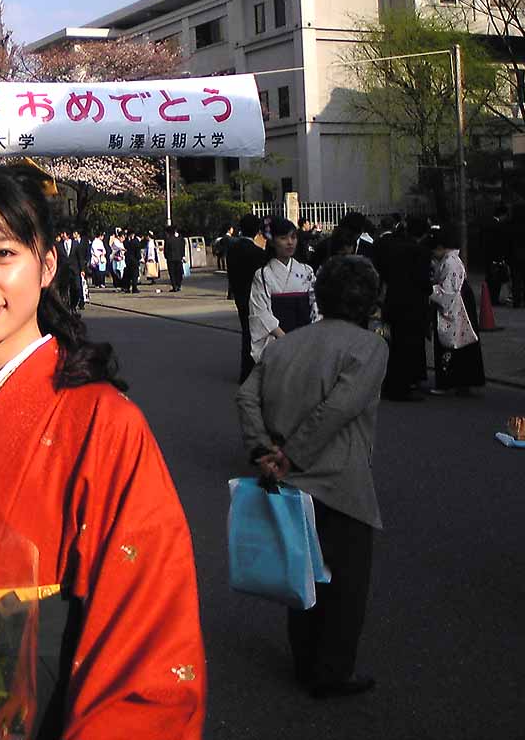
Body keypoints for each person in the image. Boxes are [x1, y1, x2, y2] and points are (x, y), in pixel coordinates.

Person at [0, 163, 205, 737]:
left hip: (46, 701)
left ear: (47, 264)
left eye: (3, 254)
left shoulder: (103, 421)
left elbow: (146, 611)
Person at [235, 255, 388, 699]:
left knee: (303, 577)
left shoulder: (286, 345)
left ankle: (305, 662)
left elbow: (246, 397)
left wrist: (263, 449)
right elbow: (339, 408)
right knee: (346, 586)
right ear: (370, 301)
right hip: (340, 481)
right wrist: (292, 455)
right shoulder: (370, 347)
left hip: (289, 485)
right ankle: (332, 671)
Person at [375, 216, 432, 401]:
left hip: (394, 300)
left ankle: (392, 384)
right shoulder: (421, 252)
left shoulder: (393, 248)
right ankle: (404, 386)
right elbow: (424, 281)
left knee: (397, 345)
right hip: (413, 304)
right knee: (410, 345)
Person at [248, 218, 318, 364]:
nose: (290, 242)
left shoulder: (306, 271)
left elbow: (316, 305)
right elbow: (260, 312)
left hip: (306, 340)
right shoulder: (263, 275)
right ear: (272, 242)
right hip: (277, 341)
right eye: (283, 238)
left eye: (293, 237)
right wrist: (285, 339)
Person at [429, 225, 485, 396]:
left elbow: (447, 292)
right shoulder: (451, 260)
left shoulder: (450, 263)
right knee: (462, 344)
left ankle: (448, 382)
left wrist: (429, 290)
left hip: (456, 304)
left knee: (450, 344)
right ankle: (462, 382)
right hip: (460, 303)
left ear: (440, 247)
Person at [228, 215, 270, 383]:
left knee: (247, 332)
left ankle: (245, 371)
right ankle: (253, 370)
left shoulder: (232, 249)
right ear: (257, 231)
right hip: (255, 297)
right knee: (256, 335)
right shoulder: (257, 253)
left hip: (240, 295)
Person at [506, 203, 525, 309]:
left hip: (515, 255)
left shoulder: (512, 225)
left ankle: (517, 301)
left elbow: (509, 242)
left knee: (516, 280)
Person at [165, 226, 187, 292]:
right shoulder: (181, 239)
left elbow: (166, 250)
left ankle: (174, 286)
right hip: (179, 258)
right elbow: (183, 248)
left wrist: (167, 257)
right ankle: (179, 285)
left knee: (172, 273)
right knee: (179, 273)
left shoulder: (168, 240)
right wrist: (182, 256)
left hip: (171, 259)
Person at [123, 229, 144, 294]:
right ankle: (134, 288)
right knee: (134, 275)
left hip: (128, 260)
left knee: (128, 275)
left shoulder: (125, 242)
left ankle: (127, 288)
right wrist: (139, 258)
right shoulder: (135, 242)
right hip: (134, 260)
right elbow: (138, 252)